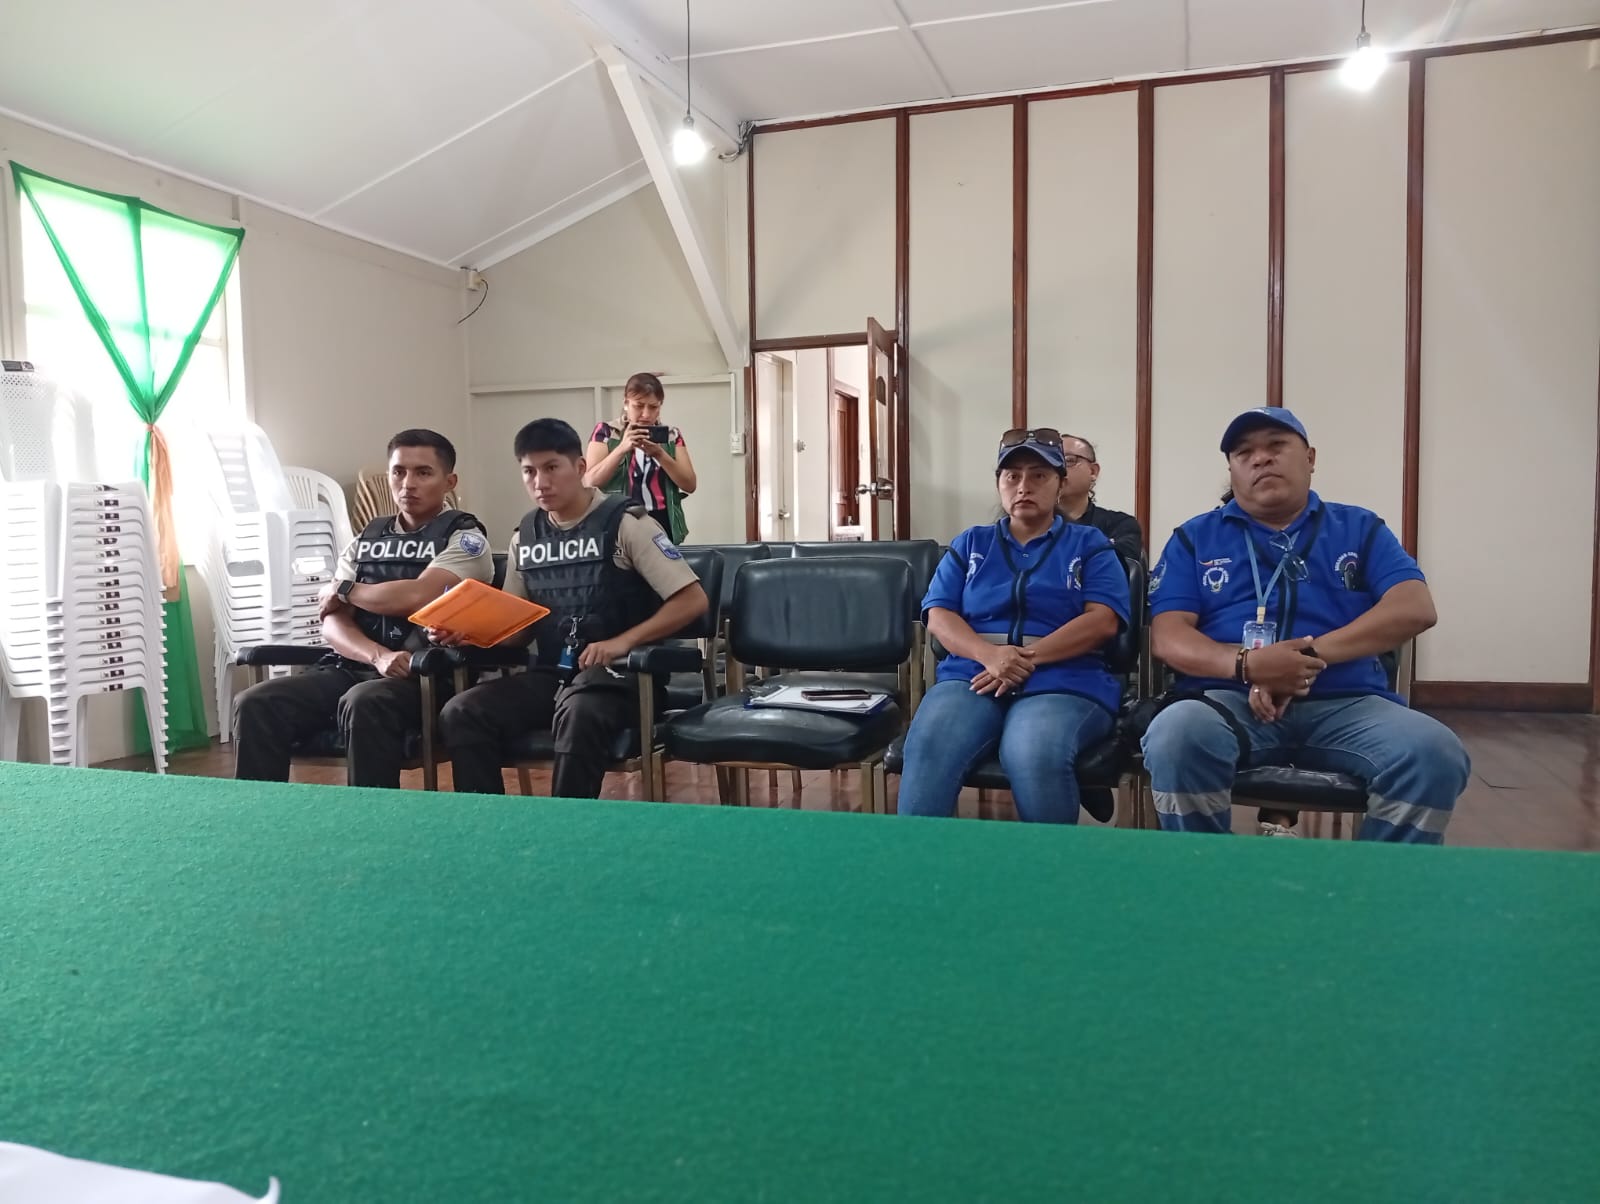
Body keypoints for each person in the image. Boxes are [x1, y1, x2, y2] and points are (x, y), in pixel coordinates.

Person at [1141, 407, 1470, 843]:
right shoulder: (1194, 537)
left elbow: (1414, 608)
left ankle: (1383, 879)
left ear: (1311, 458)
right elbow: (1168, 635)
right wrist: (1248, 665)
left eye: (1276, 446)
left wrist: (1303, 660)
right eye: (1244, 453)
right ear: (1231, 470)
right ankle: (1205, 872)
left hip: (1347, 703)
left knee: (1434, 753)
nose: (1261, 458)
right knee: (1175, 735)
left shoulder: (1360, 528)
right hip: (1230, 700)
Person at [436, 418, 709, 799]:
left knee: (578, 712)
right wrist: (467, 633)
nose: (540, 482)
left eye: (551, 468)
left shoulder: (626, 524)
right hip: (554, 675)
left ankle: (566, 827)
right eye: (529, 471)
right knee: (461, 712)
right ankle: (487, 823)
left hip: (623, 679)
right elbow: (518, 628)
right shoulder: (525, 537)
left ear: (580, 467)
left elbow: (692, 600)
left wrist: (622, 643)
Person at [233, 429, 494, 788]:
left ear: (449, 482)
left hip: (425, 678)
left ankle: (371, 816)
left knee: (364, 700)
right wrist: (377, 655)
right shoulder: (366, 540)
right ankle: (259, 814)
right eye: (399, 472)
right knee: (256, 702)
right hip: (356, 666)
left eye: (423, 473)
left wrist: (345, 589)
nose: (408, 484)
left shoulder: (466, 539)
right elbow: (332, 621)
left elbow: (417, 596)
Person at [896, 428, 1130, 824]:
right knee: (931, 743)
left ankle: (1049, 863)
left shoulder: (1090, 545)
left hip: (1067, 677)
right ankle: (920, 860)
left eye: (1039, 475)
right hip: (973, 674)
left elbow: (1103, 620)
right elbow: (938, 614)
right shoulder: (971, 543)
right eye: (1012, 476)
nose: (1024, 486)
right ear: (999, 484)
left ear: (1060, 485)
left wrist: (1021, 659)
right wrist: (990, 656)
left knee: (1032, 750)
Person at [584, 372, 697, 543]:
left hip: (662, 520)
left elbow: (689, 484)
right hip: (617, 518)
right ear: (626, 403)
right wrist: (622, 448)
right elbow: (589, 482)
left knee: (661, 561)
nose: (646, 414)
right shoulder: (607, 432)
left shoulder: (671, 436)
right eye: (638, 406)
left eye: (653, 407)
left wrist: (660, 454)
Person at [1056, 432, 1144, 561]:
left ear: (1093, 471)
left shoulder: (1119, 525)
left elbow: (1118, 566)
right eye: (1052, 462)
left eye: (1069, 460)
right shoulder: (1032, 525)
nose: (1059, 468)